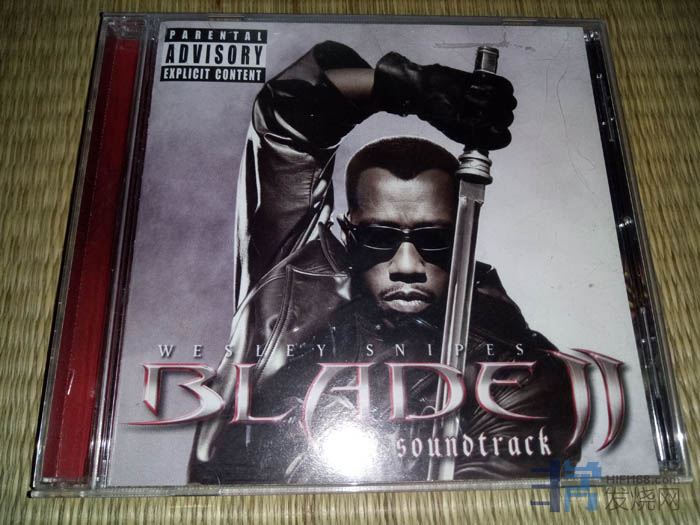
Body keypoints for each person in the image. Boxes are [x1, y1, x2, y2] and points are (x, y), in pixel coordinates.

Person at [188, 41, 580, 484]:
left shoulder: (517, 371)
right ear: (348, 232)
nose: (407, 264)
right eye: (379, 238)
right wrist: (408, 89)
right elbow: (286, 117)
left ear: (463, 241)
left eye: (433, 240)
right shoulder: (290, 289)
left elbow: (490, 498)